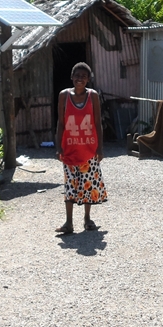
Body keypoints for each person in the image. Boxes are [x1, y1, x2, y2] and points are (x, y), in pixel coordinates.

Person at [55, 62, 107, 234]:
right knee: (70, 185)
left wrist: (99, 147)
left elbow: (98, 122)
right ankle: (68, 223)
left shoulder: (93, 96)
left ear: (88, 79)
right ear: (71, 77)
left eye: (84, 76)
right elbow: (61, 122)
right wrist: (58, 146)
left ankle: (87, 219)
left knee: (88, 185)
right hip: (70, 148)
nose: (80, 79)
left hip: (89, 149)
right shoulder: (64, 95)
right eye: (77, 75)